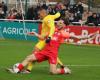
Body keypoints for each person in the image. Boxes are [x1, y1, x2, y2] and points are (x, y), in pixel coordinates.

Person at [7, 20, 97, 74]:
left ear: (64, 25)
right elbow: (42, 37)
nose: (58, 23)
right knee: (29, 57)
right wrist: (35, 34)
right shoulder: (52, 31)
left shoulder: (64, 33)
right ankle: (16, 70)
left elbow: (78, 37)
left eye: (61, 23)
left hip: (53, 54)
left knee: (52, 72)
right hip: (44, 52)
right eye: (58, 22)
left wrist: (91, 36)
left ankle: (65, 71)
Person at [25, 8, 64, 73]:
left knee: (35, 52)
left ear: (43, 13)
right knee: (50, 54)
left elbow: (52, 27)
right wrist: (59, 12)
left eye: (39, 14)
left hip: (45, 40)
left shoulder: (47, 19)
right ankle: (62, 65)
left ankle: (28, 69)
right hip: (45, 39)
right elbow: (57, 15)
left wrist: (49, 37)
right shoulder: (51, 16)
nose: (38, 15)